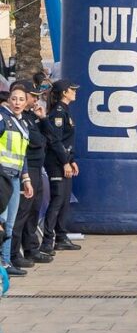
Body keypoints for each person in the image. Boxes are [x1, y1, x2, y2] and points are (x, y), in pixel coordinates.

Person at [10, 81, 50, 270]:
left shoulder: (30, 117)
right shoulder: (17, 119)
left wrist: (42, 119)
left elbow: (47, 138)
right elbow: (35, 141)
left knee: (34, 210)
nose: (35, 99)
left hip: (35, 167)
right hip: (25, 168)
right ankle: (12, 253)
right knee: (21, 212)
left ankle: (31, 247)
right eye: (32, 96)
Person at [40, 80, 80, 255]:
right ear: (64, 92)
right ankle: (48, 241)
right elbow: (55, 141)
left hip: (64, 160)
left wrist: (71, 160)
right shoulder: (57, 113)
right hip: (56, 162)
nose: (74, 92)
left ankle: (61, 237)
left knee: (64, 201)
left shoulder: (65, 111)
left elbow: (66, 141)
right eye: (72, 90)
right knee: (57, 200)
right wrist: (65, 162)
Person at [0, 85, 34, 276]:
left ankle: (5, 263)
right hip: (2, 177)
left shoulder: (23, 123)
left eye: (21, 99)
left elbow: (23, 155)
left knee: (11, 222)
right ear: (8, 100)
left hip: (14, 177)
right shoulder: (2, 118)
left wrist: (26, 180)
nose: (17, 103)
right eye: (14, 99)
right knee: (2, 220)